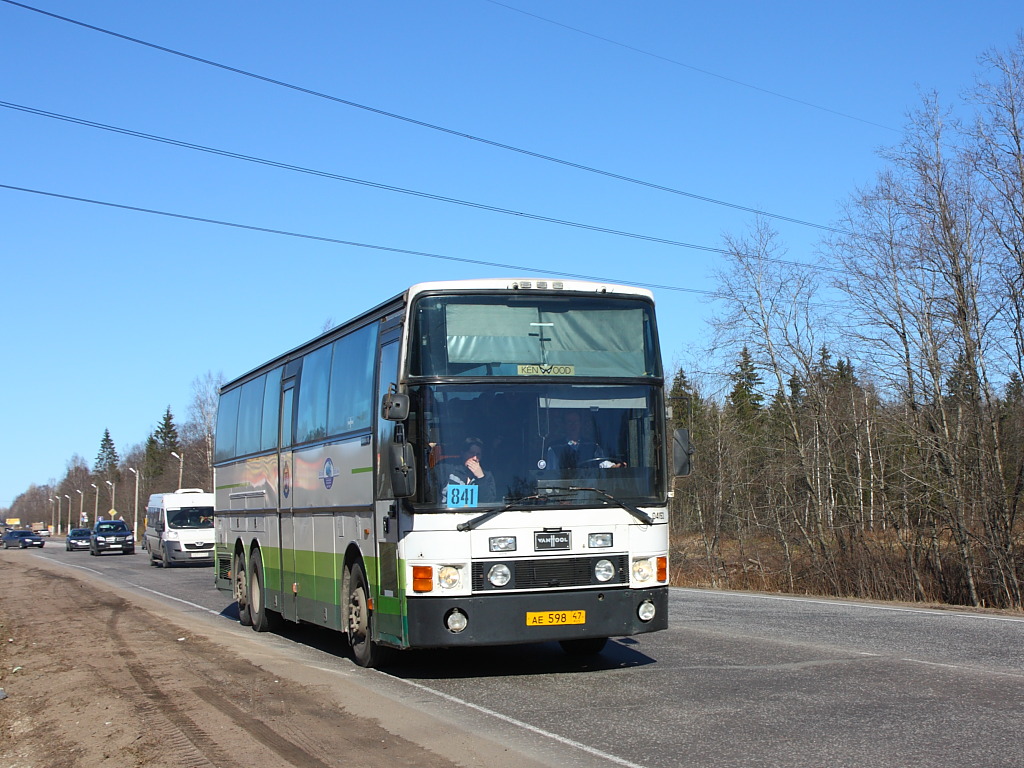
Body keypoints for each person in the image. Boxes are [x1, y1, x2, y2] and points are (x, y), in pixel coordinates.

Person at [545, 411, 625, 473]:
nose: (573, 425)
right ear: (564, 425)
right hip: (565, 489)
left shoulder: (593, 446)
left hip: (591, 489)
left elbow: (602, 463)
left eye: (576, 422)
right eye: (569, 422)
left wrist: (614, 467)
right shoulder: (555, 448)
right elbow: (551, 472)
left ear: (580, 424)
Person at [437, 437, 497, 505]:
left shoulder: (487, 476)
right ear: (463, 453)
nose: (475, 458)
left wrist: (481, 477)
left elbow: (488, 502)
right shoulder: (446, 470)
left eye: (478, 454)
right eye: (471, 453)